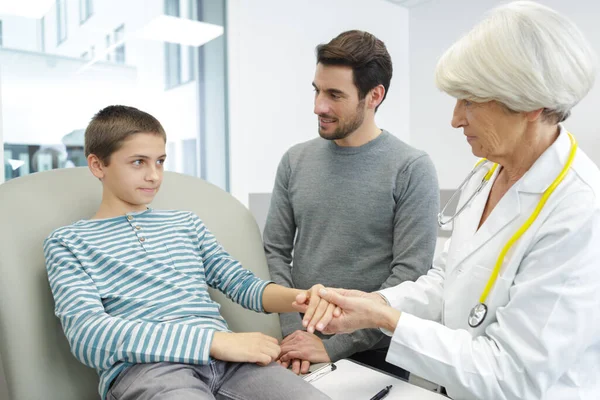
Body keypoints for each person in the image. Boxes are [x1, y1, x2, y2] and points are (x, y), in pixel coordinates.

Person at [297, 2, 600, 399]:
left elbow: (512, 376)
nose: (455, 119)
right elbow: (447, 279)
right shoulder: (490, 172)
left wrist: (388, 319)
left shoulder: (580, 211)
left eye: (470, 101)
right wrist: (373, 302)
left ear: (531, 104)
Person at [43, 105, 332, 400]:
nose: (154, 175)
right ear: (97, 165)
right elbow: (88, 335)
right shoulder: (69, 243)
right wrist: (211, 341)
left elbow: (242, 284)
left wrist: (302, 299)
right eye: (138, 162)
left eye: (160, 161)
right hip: (150, 370)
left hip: (233, 362)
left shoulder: (185, 224)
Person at [264, 30, 439, 376]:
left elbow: (409, 276)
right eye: (316, 90)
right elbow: (275, 252)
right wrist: (296, 333)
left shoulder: (411, 168)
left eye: (334, 95)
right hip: (299, 343)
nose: (318, 106)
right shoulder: (294, 161)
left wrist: (334, 345)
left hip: (375, 355)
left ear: (374, 95)